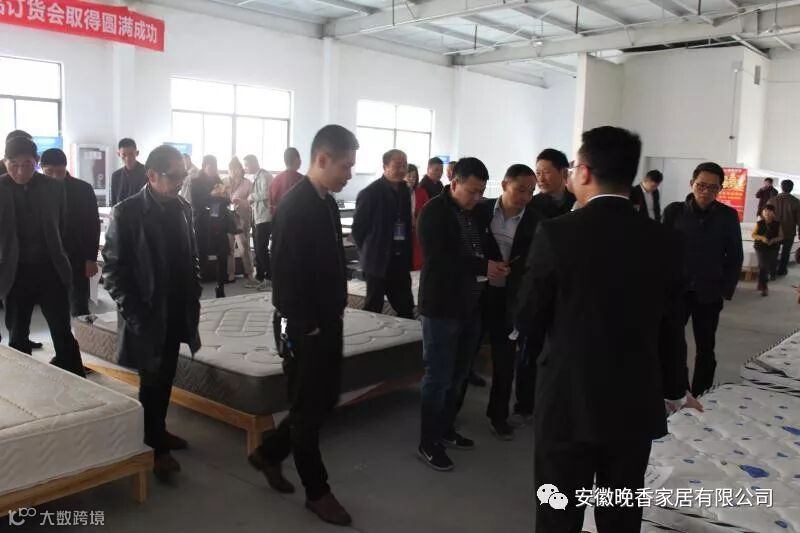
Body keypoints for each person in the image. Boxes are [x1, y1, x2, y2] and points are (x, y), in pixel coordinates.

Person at [516, 126, 699, 533]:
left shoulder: (557, 233)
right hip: (633, 402)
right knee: (620, 513)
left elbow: (528, 318)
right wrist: (674, 388)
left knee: (558, 512)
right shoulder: (665, 241)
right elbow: (672, 327)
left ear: (584, 172)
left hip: (569, 399)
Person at [248, 125, 358, 527]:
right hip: (304, 326)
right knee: (308, 409)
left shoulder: (325, 202)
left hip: (328, 320)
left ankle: (268, 453)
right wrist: (304, 326)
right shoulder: (296, 207)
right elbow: (285, 275)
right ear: (322, 159)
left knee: (324, 400)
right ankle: (318, 491)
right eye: (345, 166)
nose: (349, 174)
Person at [102, 144, 200, 482]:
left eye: (183, 175)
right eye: (174, 176)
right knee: (151, 381)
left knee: (167, 374)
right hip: (146, 314)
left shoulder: (183, 207)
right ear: (152, 175)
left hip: (176, 309)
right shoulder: (127, 213)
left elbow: (191, 256)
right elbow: (113, 272)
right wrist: (137, 317)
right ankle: (155, 448)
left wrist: (193, 293)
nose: (180, 182)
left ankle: (158, 431)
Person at [416, 157, 507, 472]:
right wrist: (483, 266)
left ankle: (446, 429)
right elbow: (440, 259)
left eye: (481, 192)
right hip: (441, 308)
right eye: (471, 191)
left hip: (471, 306)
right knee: (438, 378)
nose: (477, 198)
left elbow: (485, 245)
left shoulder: (477, 212)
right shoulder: (433, 213)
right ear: (454, 183)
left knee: (458, 377)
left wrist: (497, 262)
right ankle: (428, 442)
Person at [0, 137, 84, 376]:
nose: (20, 171)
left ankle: (74, 375)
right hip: (14, 272)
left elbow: (62, 225)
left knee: (61, 327)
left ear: (36, 161)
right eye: (13, 165)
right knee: (17, 331)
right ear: (5, 162)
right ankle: (24, 381)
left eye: (26, 164)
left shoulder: (54, 187)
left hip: (50, 269)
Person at [663, 162, 743, 397]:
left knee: (706, 347)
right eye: (701, 185)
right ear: (692, 184)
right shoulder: (674, 211)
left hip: (709, 292)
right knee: (673, 345)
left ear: (720, 189)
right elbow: (661, 249)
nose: (706, 191)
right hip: (677, 292)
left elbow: (735, 255)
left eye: (712, 187)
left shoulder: (727, 216)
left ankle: (702, 393)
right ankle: (678, 391)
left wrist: (725, 288)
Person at [480, 164, 539, 440]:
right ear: (504, 185)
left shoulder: (536, 222)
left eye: (531, 191)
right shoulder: (482, 210)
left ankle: (498, 416)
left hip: (510, 300)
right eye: (520, 190)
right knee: (464, 356)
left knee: (504, 362)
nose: (525, 197)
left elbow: (537, 263)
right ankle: (448, 417)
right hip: (479, 295)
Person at [352, 149, 414, 319]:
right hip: (377, 261)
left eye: (405, 166)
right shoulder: (370, 193)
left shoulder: (405, 191)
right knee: (374, 306)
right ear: (385, 166)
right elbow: (358, 229)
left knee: (405, 306)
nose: (402, 170)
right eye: (397, 165)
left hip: (399, 259)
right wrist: (369, 251)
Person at [40, 149, 101, 317]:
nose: (54, 176)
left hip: (77, 255)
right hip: (48, 257)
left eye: (59, 172)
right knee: (53, 305)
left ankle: (84, 331)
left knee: (79, 304)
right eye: (49, 172)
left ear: (66, 168)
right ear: (41, 168)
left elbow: (92, 225)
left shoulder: (83, 189)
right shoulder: (36, 189)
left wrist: (91, 259)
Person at [190, 155, 231, 298]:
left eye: (215, 166)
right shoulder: (195, 182)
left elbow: (227, 201)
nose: (214, 169)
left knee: (222, 254)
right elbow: (196, 204)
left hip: (219, 222)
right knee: (202, 255)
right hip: (203, 223)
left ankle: (221, 286)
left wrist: (224, 197)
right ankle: (197, 285)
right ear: (204, 167)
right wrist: (212, 196)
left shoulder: (218, 181)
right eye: (210, 166)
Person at [224, 157, 255, 285]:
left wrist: (242, 202)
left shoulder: (247, 183)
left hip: (242, 217)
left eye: (236, 168)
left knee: (244, 245)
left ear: (240, 169)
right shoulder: (224, 181)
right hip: (228, 218)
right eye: (231, 169)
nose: (233, 171)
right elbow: (219, 197)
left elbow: (252, 200)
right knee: (229, 247)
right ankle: (231, 273)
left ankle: (249, 272)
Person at [245, 154, 274, 289]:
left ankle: (270, 277)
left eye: (246, 165)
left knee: (261, 248)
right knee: (257, 248)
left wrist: (252, 196)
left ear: (254, 163)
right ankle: (260, 276)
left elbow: (267, 193)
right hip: (257, 217)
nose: (245, 168)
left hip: (265, 217)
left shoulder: (264, 176)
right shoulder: (256, 177)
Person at [531, 148, 576, 218]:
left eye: (546, 172)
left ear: (564, 173)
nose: (541, 179)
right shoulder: (530, 205)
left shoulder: (577, 201)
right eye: (538, 173)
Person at [768, 179, 800, 277]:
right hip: (789, 232)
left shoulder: (772, 200)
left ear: (781, 187)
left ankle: (772, 271)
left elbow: (766, 217)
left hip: (774, 232)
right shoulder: (796, 202)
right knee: (786, 252)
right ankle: (782, 270)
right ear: (791, 188)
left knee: (773, 252)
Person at [752, 205, 783, 297]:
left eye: (769, 211)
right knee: (763, 266)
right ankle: (764, 287)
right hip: (760, 247)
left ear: (773, 213)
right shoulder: (759, 223)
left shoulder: (777, 224)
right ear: (762, 213)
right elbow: (753, 235)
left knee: (765, 267)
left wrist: (774, 240)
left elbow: (781, 236)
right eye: (765, 211)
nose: (767, 213)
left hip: (772, 248)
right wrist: (762, 238)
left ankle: (760, 283)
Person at [405, 164, 429, 271]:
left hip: (416, 230)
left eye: (414, 177)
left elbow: (427, 212)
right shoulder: (396, 192)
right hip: (401, 231)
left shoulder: (421, 192)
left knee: (416, 260)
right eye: (409, 176)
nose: (411, 179)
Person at [110, 138, 148, 206]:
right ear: (119, 154)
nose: (127, 158)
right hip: (121, 212)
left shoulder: (147, 173)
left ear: (137, 153)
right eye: (124, 155)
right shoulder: (116, 176)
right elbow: (114, 204)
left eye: (131, 154)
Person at [270, 147, 304, 216]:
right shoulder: (302, 180)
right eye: (300, 159)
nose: (301, 161)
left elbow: (271, 206)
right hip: (298, 218)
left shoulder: (275, 180)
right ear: (296, 160)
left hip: (280, 219)